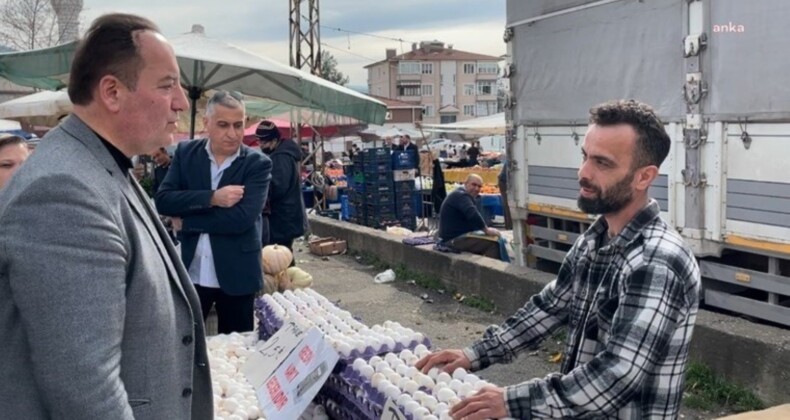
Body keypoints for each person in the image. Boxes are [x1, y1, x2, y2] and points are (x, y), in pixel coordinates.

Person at [417, 99, 701, 419]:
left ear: (644, 177)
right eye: (585, 156)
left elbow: (615, 378)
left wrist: (510, 401)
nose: (583, 172)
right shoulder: (595, 240)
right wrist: (473, 355)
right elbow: (548, 309)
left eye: (602, 163)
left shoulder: (657, 263)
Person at [0, 14, 212, 419]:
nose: (182, 102)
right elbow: (85, 390)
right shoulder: (64, 191)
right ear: (112, 92)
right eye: (167, 85)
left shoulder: (101, 165)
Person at [156, 91, 271, 334]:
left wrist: (186, 223)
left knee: (237, 352)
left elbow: (242, 219)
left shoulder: (257, 164)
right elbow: (164, 201)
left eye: (238, 125)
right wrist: (212, 198)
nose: (232, 133)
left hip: (238, 273)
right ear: (207, 124)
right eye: (223, 125)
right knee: (187, 345)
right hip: (192, 272)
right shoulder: (186, 154)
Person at [256, 119, 307, 255]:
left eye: (264, 142)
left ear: (274, 141)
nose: (261, 146)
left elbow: (277, 187)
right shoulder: (282, 155)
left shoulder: (281, 158)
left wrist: (260, 193)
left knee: (280, 256)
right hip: (286, 216)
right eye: (259, 142)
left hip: (283, 217)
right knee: (283, 255)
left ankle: (288, 276)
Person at [437, 174, 506, 261]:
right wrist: (486, 230)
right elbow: (472, 213)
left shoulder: (460, 194)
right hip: (453, 239)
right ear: (466, 184)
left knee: (494, 237)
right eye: (474, 185)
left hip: (454, 236)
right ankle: (493, 271)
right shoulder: (461, 195)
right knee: (494, 243)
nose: (477, 188)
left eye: (479, 186)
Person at [497, 159, 513, 229]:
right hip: (504, 182)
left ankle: (509, 226)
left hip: (505, 181)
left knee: (508, 206)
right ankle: (510, 227)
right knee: (509, 206)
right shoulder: (513, 158)